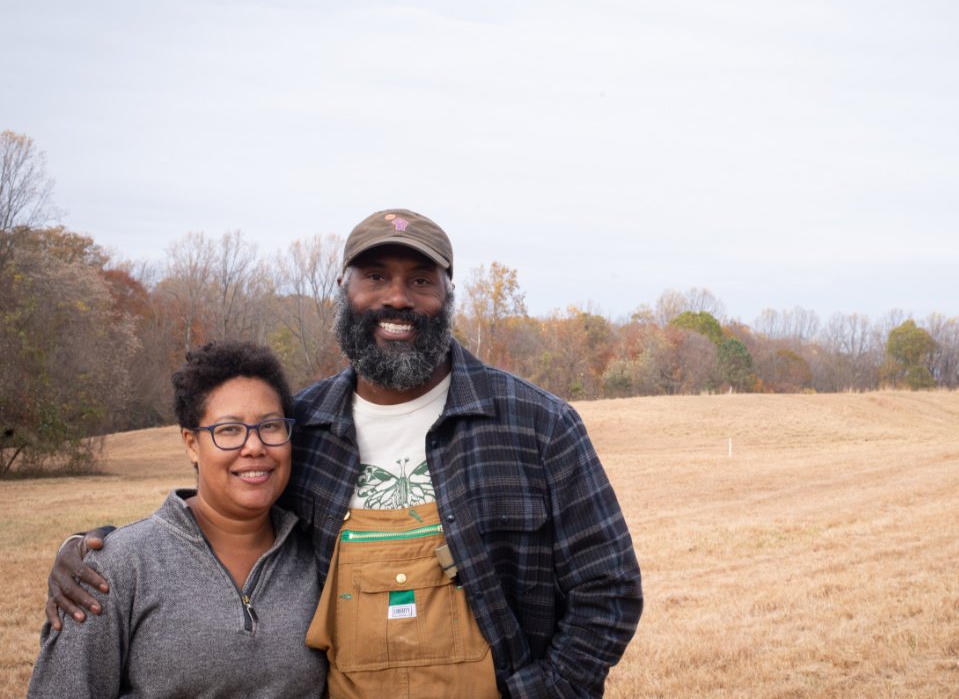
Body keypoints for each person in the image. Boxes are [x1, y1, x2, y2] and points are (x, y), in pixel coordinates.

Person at [47, 209, 642, 699]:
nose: (398, 298)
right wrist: (96, 550)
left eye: (421, 280)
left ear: (449, 294)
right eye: (376, 277)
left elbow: (608, 589)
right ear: (344, 291)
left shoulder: (538, 424)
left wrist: (548, 692)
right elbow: (228, 508)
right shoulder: (301, 429)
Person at [29, 341, 326, 698]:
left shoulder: (316, 559)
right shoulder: (114, 569)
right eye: (229, 430)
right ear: (190, 443)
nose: (254, 446)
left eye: (271, 426)